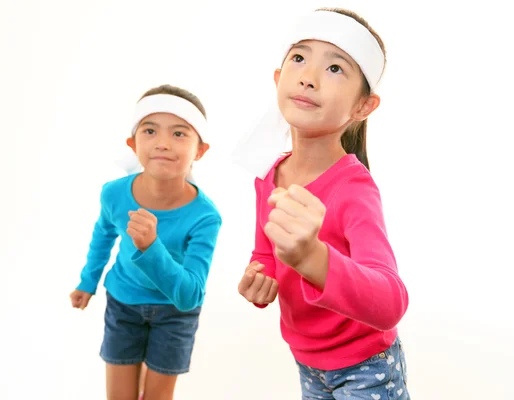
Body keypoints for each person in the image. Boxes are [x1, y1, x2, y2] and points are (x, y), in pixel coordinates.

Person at [235, 8, 411, 399]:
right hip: (308, 361)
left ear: (363, 107)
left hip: (368, 368)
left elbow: (391, 301)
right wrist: (259, 275)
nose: (308, 77)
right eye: (299, 58)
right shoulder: (267, 176)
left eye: (335, 69)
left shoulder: (354, 190)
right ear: (279, 78)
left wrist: (312, 257)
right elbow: (266, 251)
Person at [70, 84, 222, 400]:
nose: (163, 143)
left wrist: (151, 248)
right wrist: (88, 281)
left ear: (200, 150)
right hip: (123, 304)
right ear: (133, 144)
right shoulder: (114, 193)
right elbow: (103, 236)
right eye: (150, 131)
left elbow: (189, 295)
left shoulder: (205, 217)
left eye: (179, 134)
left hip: (174, 315)